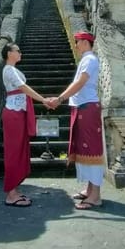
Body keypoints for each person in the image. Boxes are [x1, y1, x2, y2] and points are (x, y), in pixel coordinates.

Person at [48, 31, 104, 209]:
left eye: (77, 41)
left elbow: (80, 82)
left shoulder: (89, 60)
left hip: (87, 107)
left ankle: (95, 196)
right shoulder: (86, 60)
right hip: (82, 107)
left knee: (92, 150)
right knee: (84, 150)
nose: (75, 45)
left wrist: (60, 98)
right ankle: (89, 189)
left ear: (86, 42)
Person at [1, 42, 50, 207]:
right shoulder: (8, 69)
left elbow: (23, 88)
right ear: (9, 53)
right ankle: (11, 194)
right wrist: (43, 99)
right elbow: (23, 87)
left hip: (19, 112)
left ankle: (14, 190)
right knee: (14, 151)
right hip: (13, 113)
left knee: (20, 150)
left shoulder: (13, 69)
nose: (20, 53)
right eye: (18, 50)